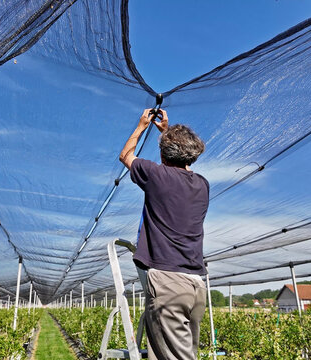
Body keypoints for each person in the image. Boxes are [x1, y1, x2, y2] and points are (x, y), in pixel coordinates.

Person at [119, 108, 209, 360]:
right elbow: (175, 168)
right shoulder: (202, 185)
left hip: (168, 283)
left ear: (163, 154)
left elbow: (126, 156)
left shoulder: (156, 175)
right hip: (195, 285)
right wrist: (168, 134)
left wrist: (141, 126)